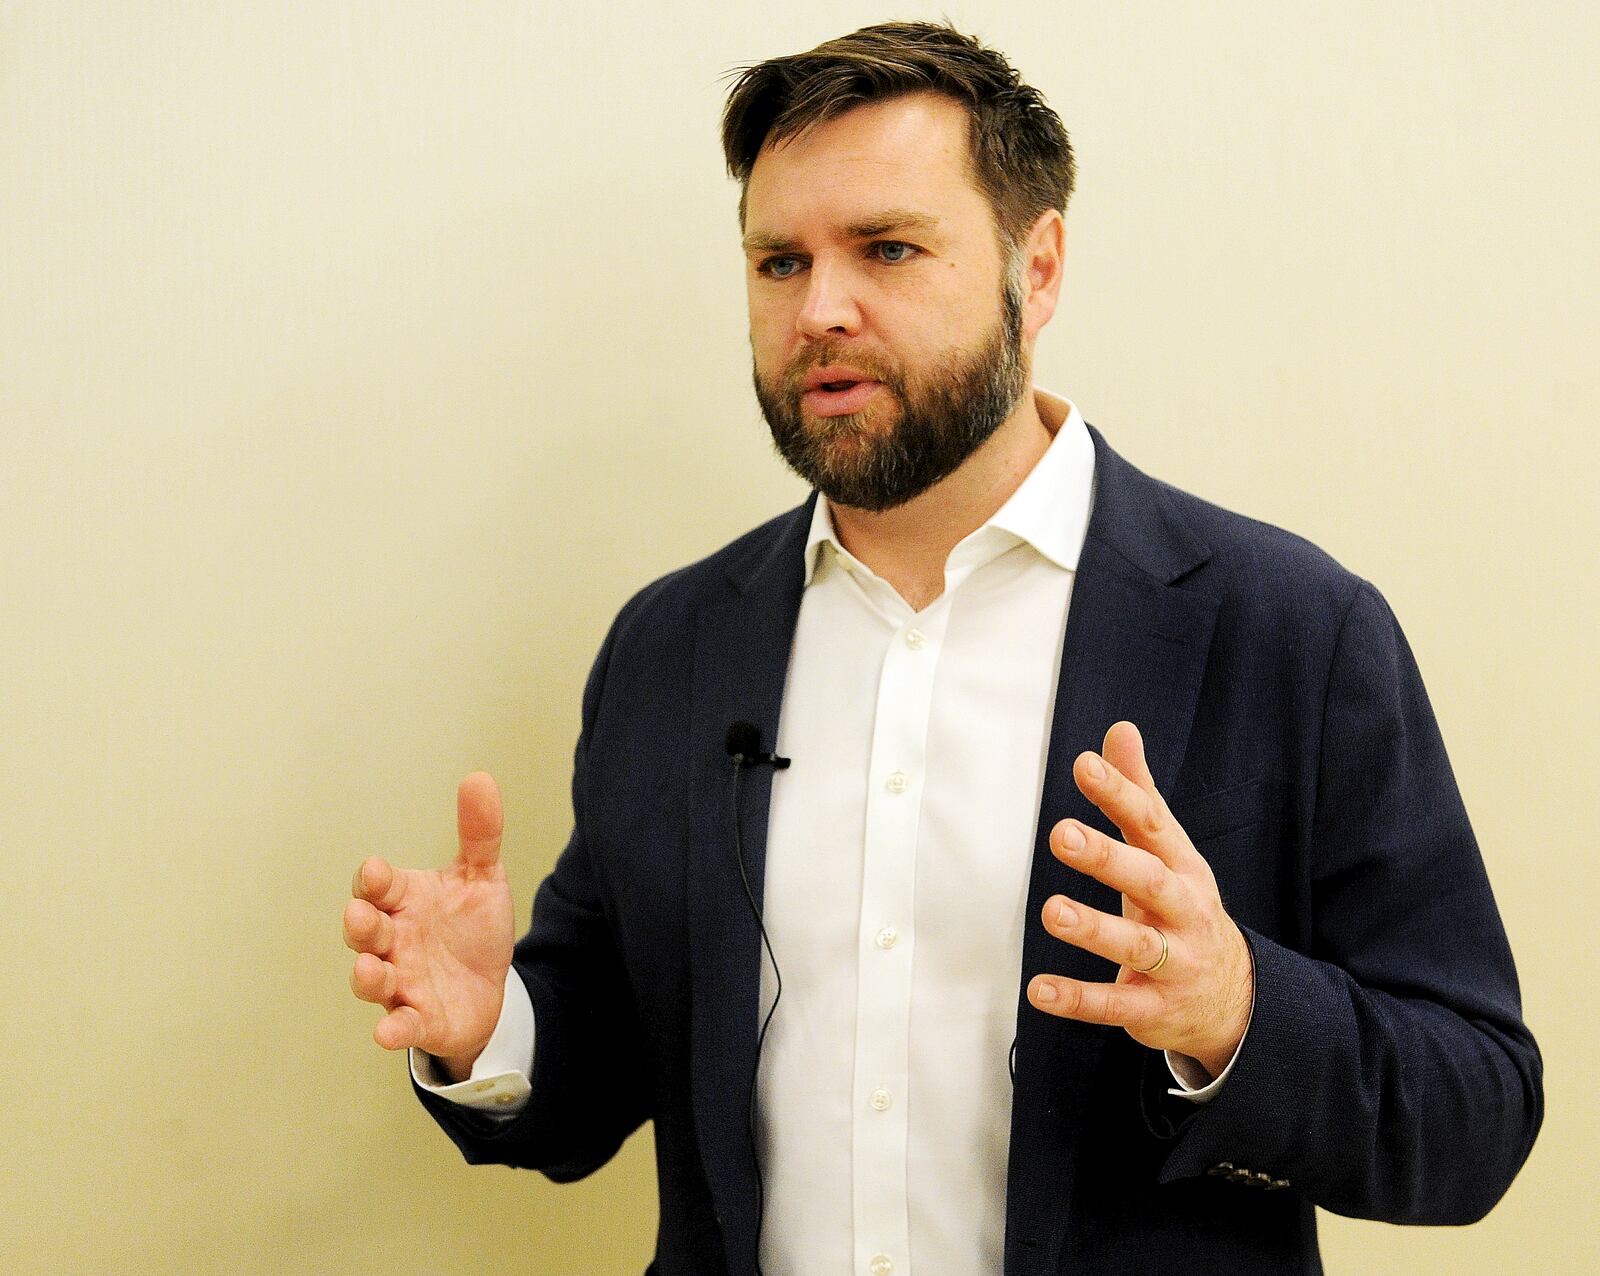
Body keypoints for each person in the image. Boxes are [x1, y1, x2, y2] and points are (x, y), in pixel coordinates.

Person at [342, 21, 1541, 1276]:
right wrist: (495, 1027)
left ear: (1041, 269)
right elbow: (608, 1064)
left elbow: (1477, 1110)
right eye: (778, 261)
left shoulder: (1287, 627)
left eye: (888, 249)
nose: (821, 310)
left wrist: (1235, 1010)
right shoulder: (671, 642)